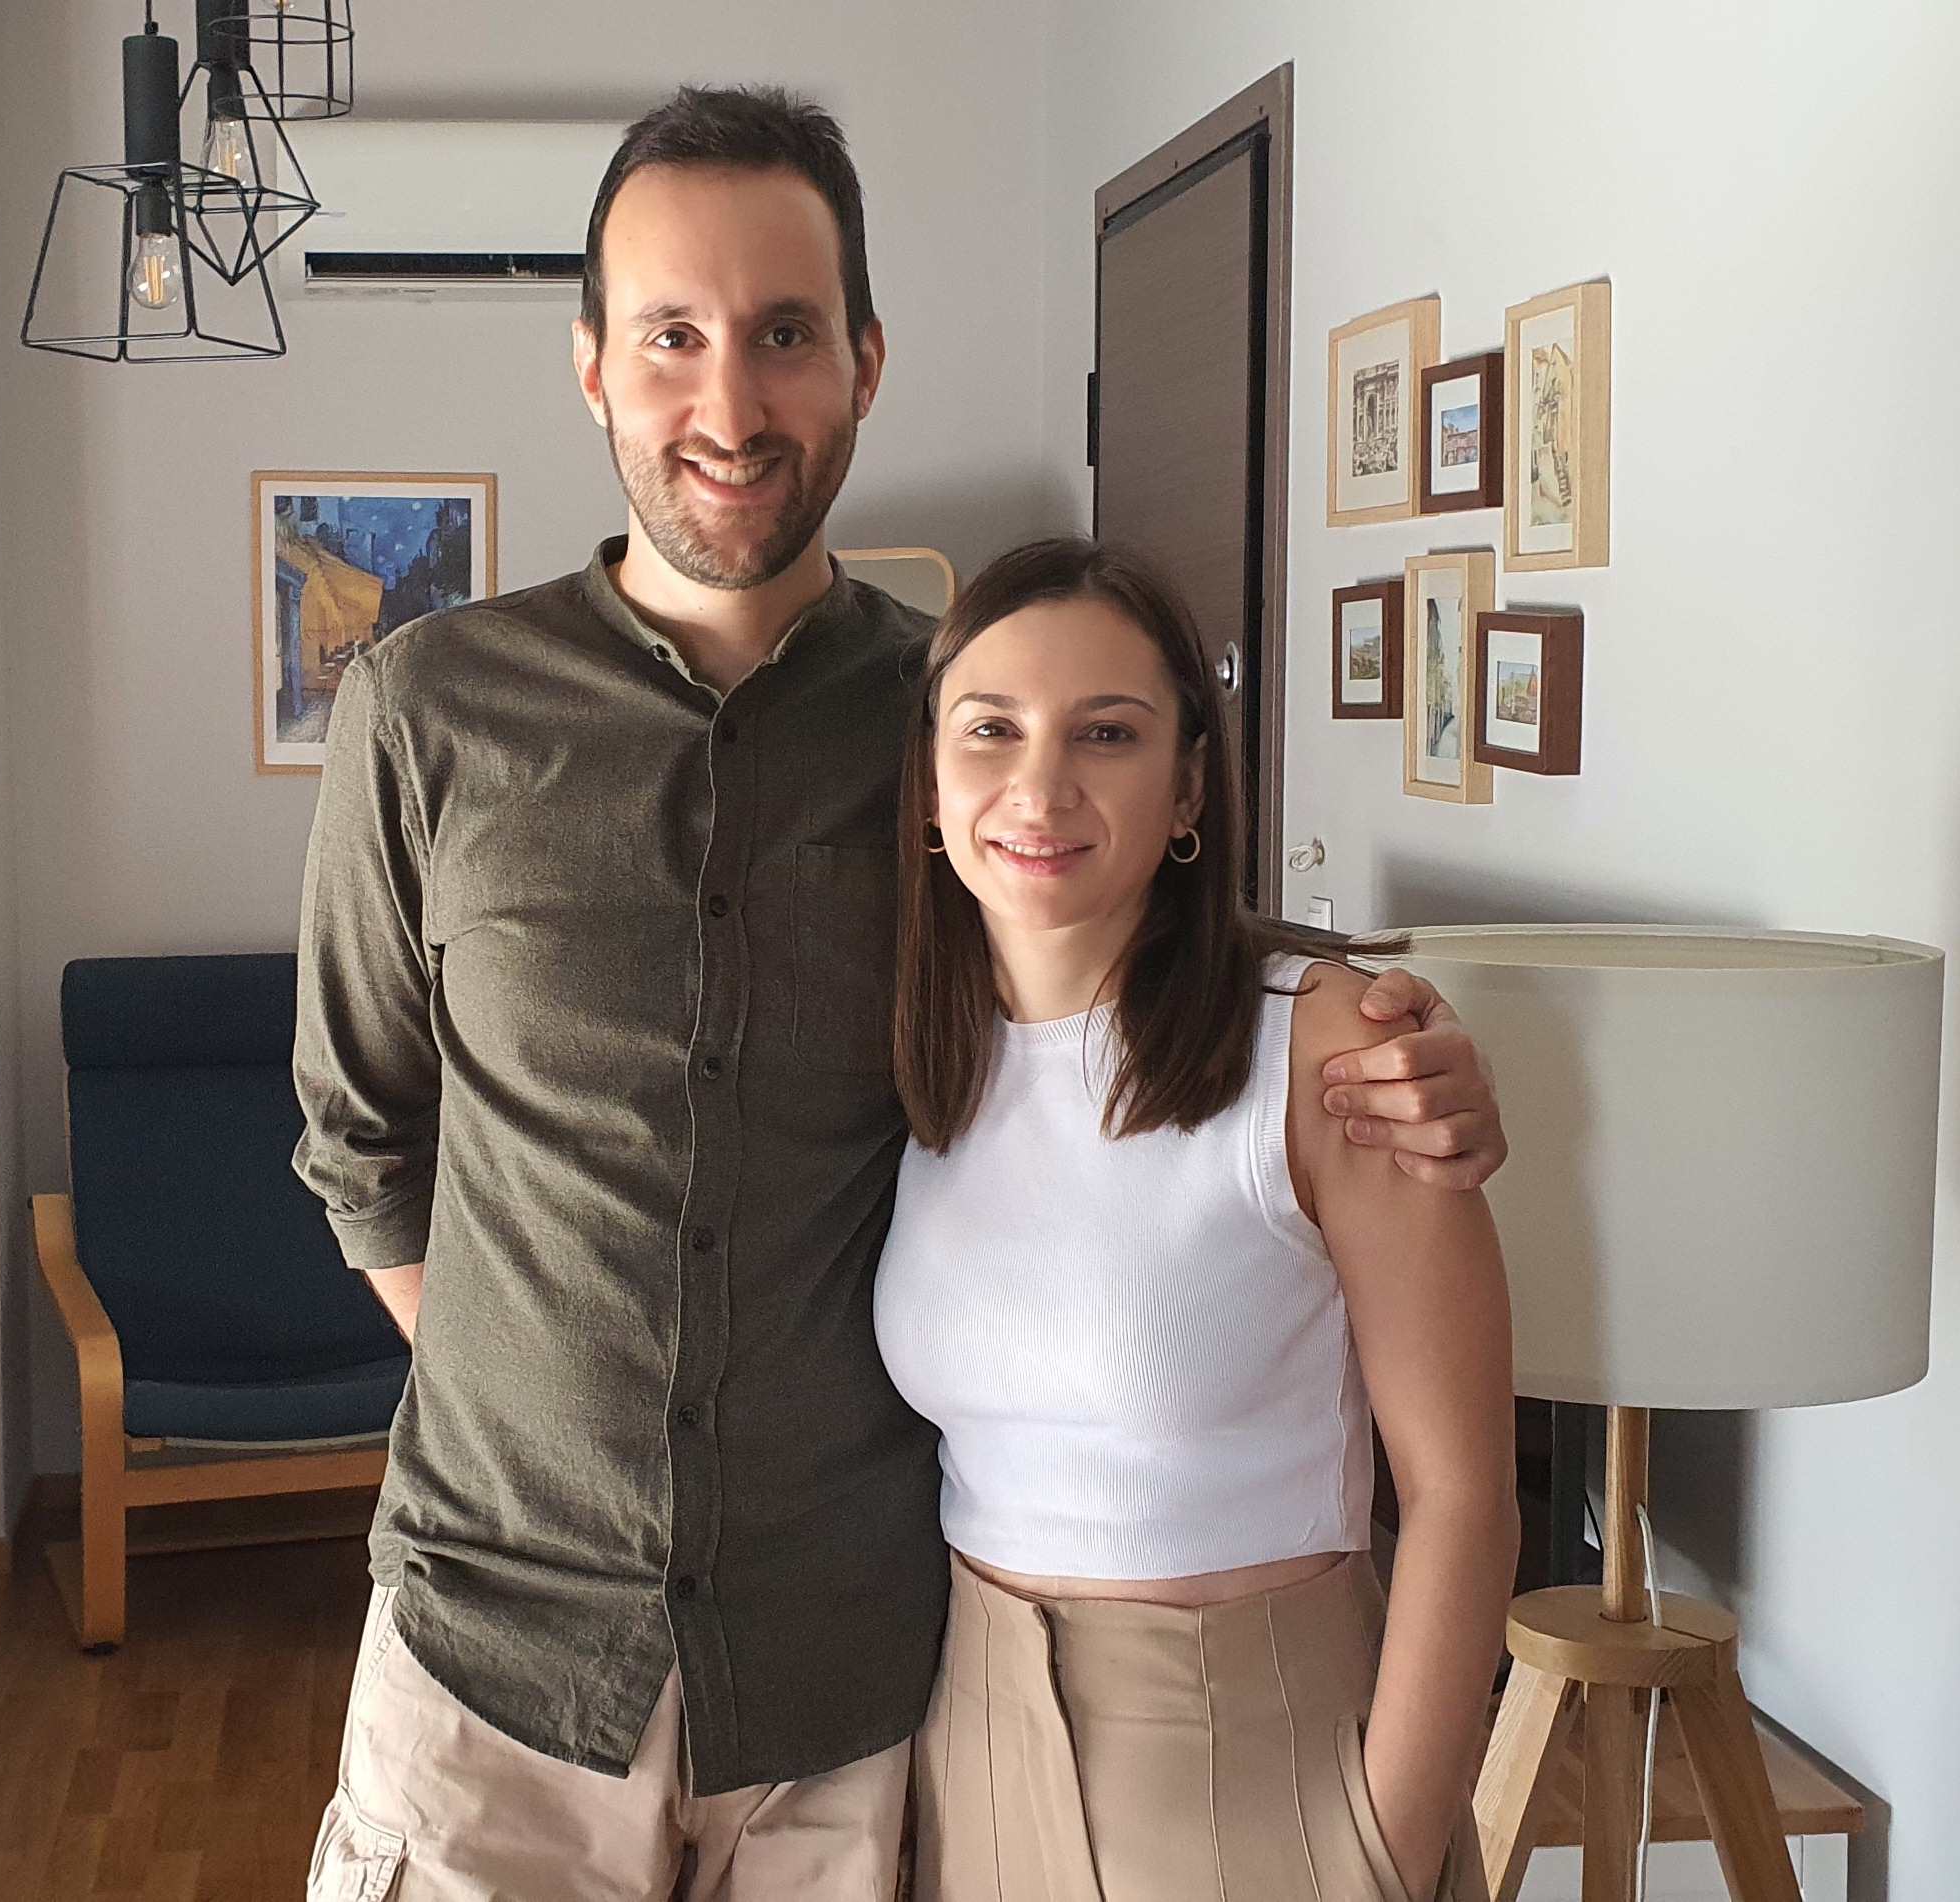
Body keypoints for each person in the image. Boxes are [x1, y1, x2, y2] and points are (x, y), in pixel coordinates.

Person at [291, 85, 1506, 1900]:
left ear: (863, 361)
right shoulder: (427, 710)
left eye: (785, 335)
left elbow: (1134, 943)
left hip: (845, 1693)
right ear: (592, 366)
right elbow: (365, 1142)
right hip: (493, 1678)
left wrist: (1392, 1039)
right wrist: (565, 1413)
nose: (729, 402)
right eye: (672, 337)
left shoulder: (955, 723)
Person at [875, 538, 1516, 1902]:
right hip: (969, 1755)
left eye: (1108, 732)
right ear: (931, 787)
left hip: (1258, 1774)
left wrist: (1382, 1853)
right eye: (991, 730)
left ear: (1187, 791)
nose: (1039, 786)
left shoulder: (1331, 1048)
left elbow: (1466, 1498)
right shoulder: (917, 1055)